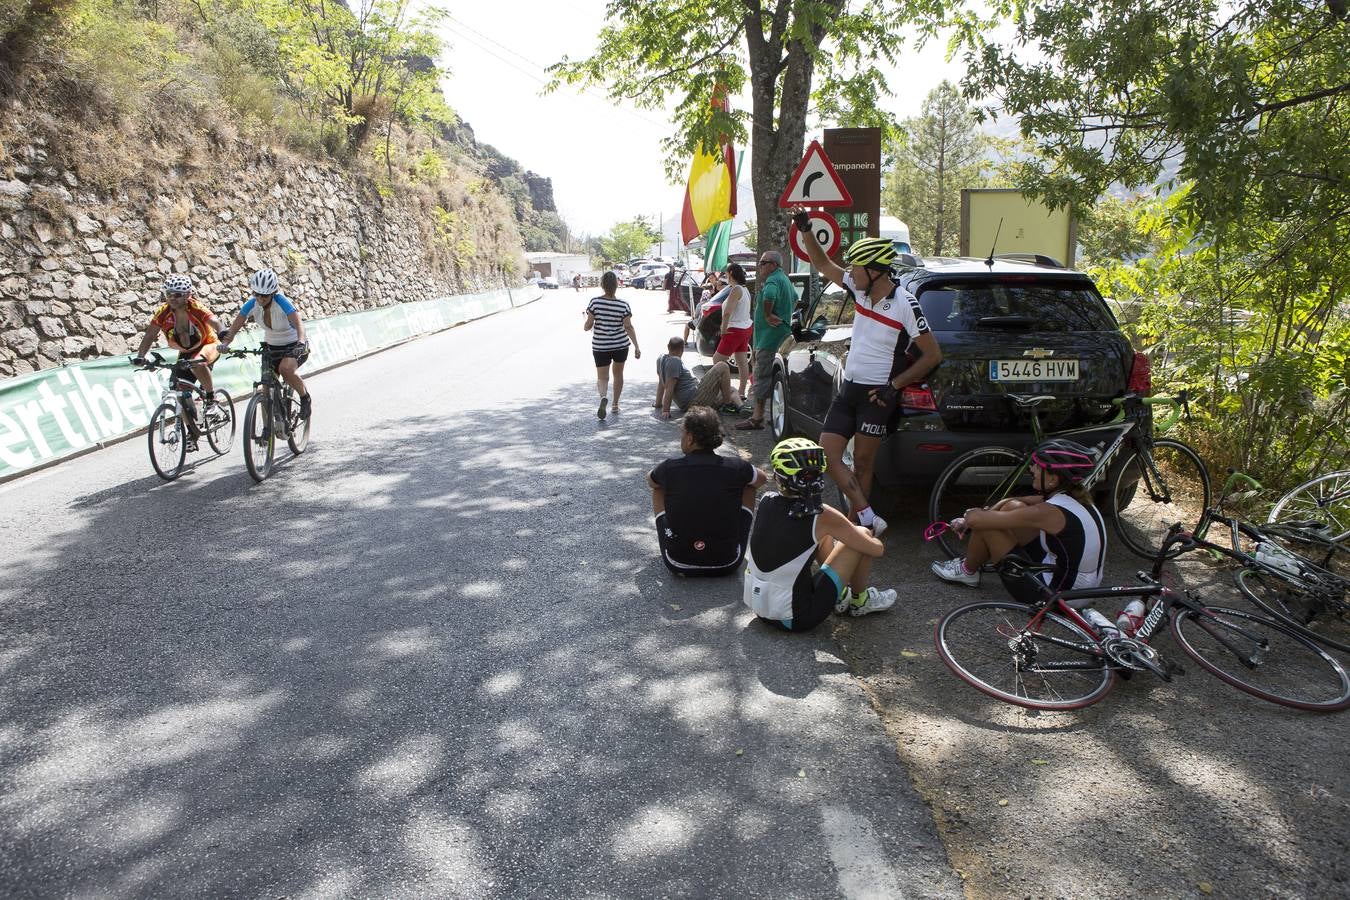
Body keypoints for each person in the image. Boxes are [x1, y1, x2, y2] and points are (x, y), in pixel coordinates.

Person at [790, 215, 944, 536]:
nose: (851, 274)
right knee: (828, 455)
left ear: (874, 271)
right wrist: (805, 229)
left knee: (862, 462)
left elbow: (932, 354)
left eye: (856, 269)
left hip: (878, 394)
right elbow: (823, 264)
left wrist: (894, 387)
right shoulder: (858, 290)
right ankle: (869, 516)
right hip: (849, 389)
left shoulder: (905, 303)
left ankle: (855, 526)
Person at [929, 439, 1119, 630]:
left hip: (1058, 598)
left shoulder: (1049, 512)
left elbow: (979, 520)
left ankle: (967, 571)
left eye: (1038, 467)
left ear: (1053, 479)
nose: (1032, 470)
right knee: (1012, 507)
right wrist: (994, 509)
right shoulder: (1074, 497)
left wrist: (967, 518)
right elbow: (1015, 501)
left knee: (987, 526)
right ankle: (970, 565)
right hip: (1079, 587)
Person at [743, 438, 898, 632]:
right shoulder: (822, 515)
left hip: (762, 607)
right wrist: (866, 537)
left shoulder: (767, 500)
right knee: (862, 534)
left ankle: (841, 597)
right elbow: (877, 550)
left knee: (821, 535)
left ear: (778, 477)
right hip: (796, 618)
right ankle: (861, 600)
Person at [648, 406, 768, 576]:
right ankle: (732, 539)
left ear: (690, 438)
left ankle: (672, 537)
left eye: (682, 434)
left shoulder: (668, 467)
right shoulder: (737, 466)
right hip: (727, 563)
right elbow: (762, 479)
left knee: (659, 488)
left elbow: (650, 481)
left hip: (678, 562)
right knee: (749, 485)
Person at [132, 274, 226, 447]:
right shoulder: (164, 311)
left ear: (187, 295)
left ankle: (212, 399)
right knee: (178, 390)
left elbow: (215, 321)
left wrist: (222, 333)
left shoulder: (196, 307)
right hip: (185, 351)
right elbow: (150, 334)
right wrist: (141, 355)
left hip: (208, 344)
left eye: (177, 295)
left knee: (198, 363)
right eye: (169, 294)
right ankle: (192, 432)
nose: (172, 298)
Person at [217, 268, 312, 419]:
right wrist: (226, 343)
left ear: (273, 293)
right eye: (257, 294)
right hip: (271, 346)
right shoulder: (251, 304)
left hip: (293, 344)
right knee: (266, 385)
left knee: (285, 370)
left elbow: (299, 323)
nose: (260, 299)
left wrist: (301, 342)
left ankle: (305, 397)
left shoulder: (282, 302)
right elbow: (234, 328)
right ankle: (268, 431)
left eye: (265, 296)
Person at [736, 251, 795, 431]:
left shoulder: (773, 281)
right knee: (775, 378)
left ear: (773, 265)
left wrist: (768, 315)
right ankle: (771, 415)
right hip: (780, 336)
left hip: (769, 338)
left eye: (763, 263)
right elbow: (796, 298)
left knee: (761, 377)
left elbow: (769, 295)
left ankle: (757, 417)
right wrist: (785, 315)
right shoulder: (784, 279)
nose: (759, 266)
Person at [584, 271, 640, 419]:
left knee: (602, 377)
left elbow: (588, 326)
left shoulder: (594, 302)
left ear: (602, 285)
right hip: (620, 345)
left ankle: (603, 396)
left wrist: (585, 321)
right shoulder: (623, 305)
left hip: (601, 346)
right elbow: (628, 327)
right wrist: (636, 346)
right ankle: (615, 404)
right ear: (617, 285)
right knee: (618, 374)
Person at [654, 337, 744, 419]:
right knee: (722, 366)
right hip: (693, 399)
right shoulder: (675, 361)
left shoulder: (661, 359)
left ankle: (741, 408)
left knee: (730, 390)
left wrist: (658, 403)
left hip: (698, 396)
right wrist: (666, 410)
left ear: (668, 347)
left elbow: (661, 383)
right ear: (682, 350)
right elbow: (670, 387)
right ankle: (728, 405)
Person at [712, 263, 752, 401]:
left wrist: (723, 329)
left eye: (726, 273)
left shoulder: (736, 290)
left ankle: (725, 392)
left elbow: (727, 312)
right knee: (742, 362)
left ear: (731, 273)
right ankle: (741, 392)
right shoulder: (744, 289)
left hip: (734, 329)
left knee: (717, 360)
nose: (725, 276)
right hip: (745, 327)